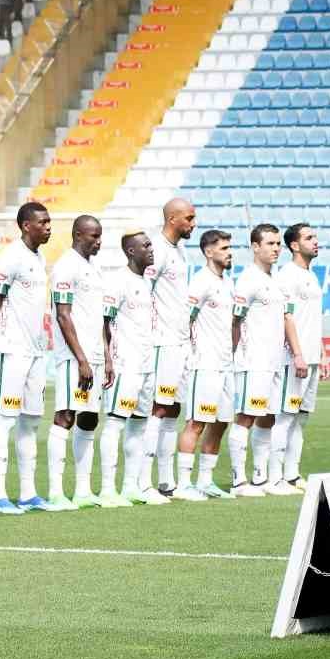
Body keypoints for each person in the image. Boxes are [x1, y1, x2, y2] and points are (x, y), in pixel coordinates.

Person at [0, 201, 52, 515]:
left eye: (49, 222)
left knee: (31, 421)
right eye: (43, 222)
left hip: (36, 351)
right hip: (12, 349)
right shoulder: (10, 258)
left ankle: (28, 493)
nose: (49, 227)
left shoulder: (39, 256)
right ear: (26, 225)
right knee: (5, 419)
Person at [47, 215, 114, 511]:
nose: (98, 241)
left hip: (96, 357)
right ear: (77, 234)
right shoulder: (66, 266)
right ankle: (55, 492)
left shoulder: (94, 268)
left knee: (89, 418)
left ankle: (83, 490)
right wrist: (82, 359)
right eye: (93, 236)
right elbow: (63, 315)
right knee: (66, 415)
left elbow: (99, 318)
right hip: (75, 358)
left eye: (100, 236)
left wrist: (107, 356)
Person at [228, 224, 292, 498]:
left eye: (278, 243)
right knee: (247, 416)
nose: (276, 248)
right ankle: (238, 481)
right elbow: (235, 320)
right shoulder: (248, 280)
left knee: (268, 417)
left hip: (274, 361)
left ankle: (260, 477)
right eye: (270, 243)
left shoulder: (275, 280)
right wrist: (233, 355)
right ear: (255, 247)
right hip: (253, 360)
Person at [175, 230, 236, 500]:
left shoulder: (227, 283)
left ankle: (205, 481)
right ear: (209, 252)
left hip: (225, 365)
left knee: (221, 422)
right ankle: (183, 485)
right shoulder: (200, 283)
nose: (229, 252)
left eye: (229, 247)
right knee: (197, 422)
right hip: (205, 364)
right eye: (223, 248)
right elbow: (184, 320)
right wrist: (189, 354)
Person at [103, 232, 163, 506]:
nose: (151, 250)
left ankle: (131, 486)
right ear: (130, 250)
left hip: (146, 365)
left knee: (139, 426)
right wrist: (108, 360)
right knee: (116, 423)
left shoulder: (146, 282)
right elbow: (104, 323)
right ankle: (107, 489)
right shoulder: (117, 281)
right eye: (146, 245)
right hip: (125, 365)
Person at [146, 198, 195, 496]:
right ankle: (143, 481)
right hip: (162, 342)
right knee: (159, 407)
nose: (193, 223)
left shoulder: (180, 249)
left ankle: (166, 481)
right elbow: (145, 292)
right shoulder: (157, 250)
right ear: (173, 218)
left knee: (173, 408)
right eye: (189, 217)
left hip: (179, 343)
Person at [272, 222, 323, 493]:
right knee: (285, 416)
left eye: (315, 237)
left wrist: (321, 354)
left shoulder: (311, 276)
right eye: (309, 238)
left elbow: (312, 319)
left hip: (312, 358)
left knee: (301, 417)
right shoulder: (287, 275)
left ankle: (291, 474)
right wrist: (299, 354)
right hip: (296, 359)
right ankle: (275, 476)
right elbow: (287, 317)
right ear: (294, 245)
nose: (316, 241)